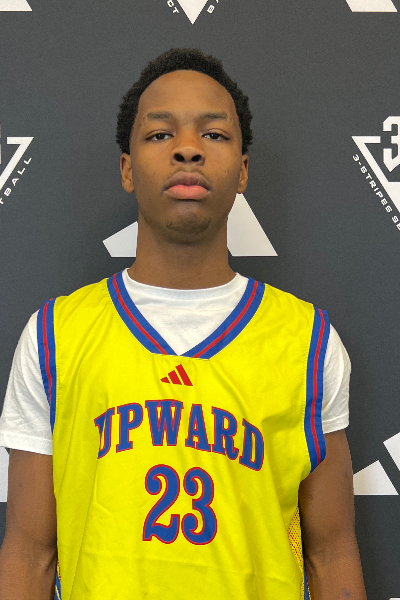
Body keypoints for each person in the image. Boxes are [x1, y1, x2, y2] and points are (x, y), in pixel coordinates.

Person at [0, 48, 366, 600]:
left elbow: (331, 552)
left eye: (214, 134)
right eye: (159, 134)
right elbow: (30, 553)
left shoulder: (308, 342)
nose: (188, 149)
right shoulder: (55, 336)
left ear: (242, 171)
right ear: (127, 169)